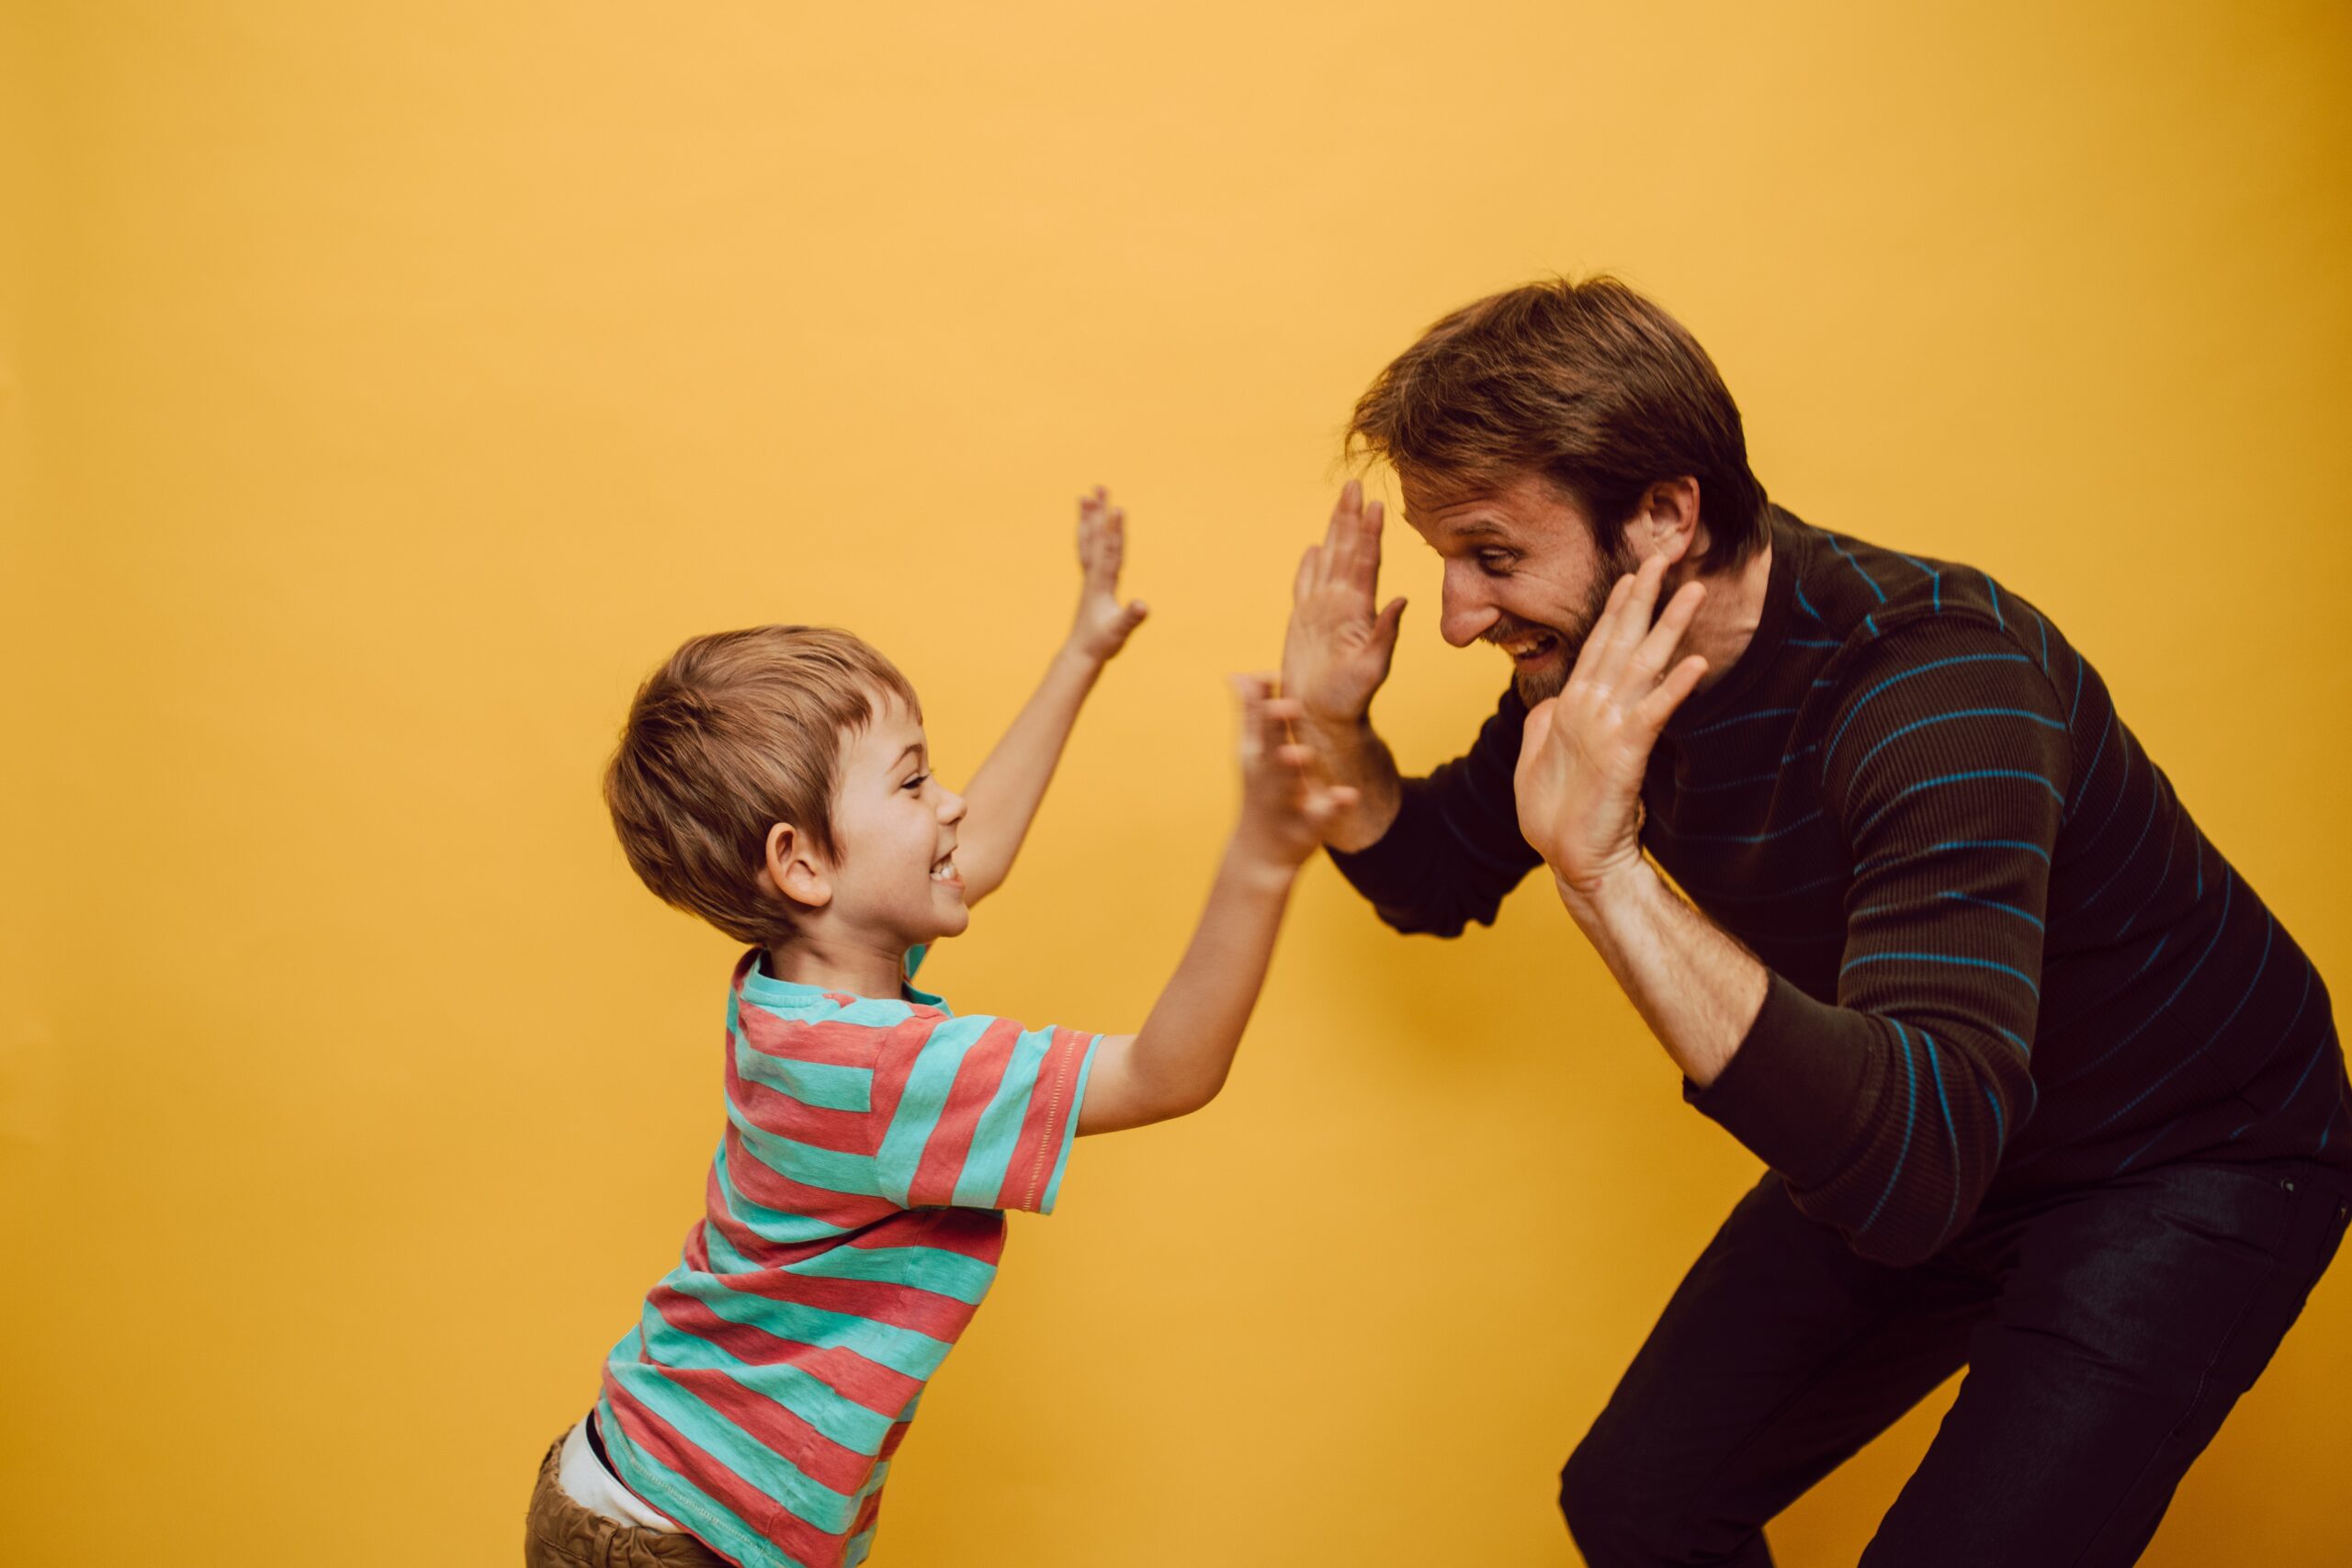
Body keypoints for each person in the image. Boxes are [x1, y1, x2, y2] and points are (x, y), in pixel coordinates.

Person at [1280, 277, 2352, 1566]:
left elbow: (1915, 1174)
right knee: (1638, 1497)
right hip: (1935, 1124)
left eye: (1493, 554)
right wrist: (1339, 720)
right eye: (1443, 558)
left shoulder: (1942, 691)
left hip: (2186, 1154)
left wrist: (1608, 873)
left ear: (1666, 513)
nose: (1454, 614)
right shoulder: (1600, 662)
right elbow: (1430, 874)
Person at [526, 491, 1352, 1568]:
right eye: (914, 781)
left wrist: (1081, 650)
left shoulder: (803, 991)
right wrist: (1262, 857)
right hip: (680, 1537)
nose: (951, 803)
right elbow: (1163, 1074)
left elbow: (977, 855)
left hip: (654, 1488)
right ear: (803, 864)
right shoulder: (876, 1070)